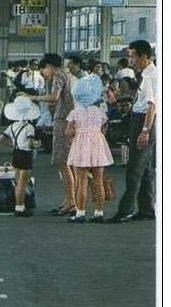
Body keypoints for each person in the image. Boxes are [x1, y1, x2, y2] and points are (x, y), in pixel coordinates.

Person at [21, 53, 75, 215]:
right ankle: (69, 199)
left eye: (43, 69)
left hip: (64, 121)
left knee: (62, 162)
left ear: (50, 66)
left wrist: (31, 97)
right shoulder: (68, 75)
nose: (43, 73)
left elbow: (54, 97)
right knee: (65, 163)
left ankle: (71, 200)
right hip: (67, 120)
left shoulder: (59, 76)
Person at [112, 40, 158, 223]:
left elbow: (151, 106)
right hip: (142, 120)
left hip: (144, 121)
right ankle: (146, 209)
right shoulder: (147, 74)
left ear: (144, 56)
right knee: (144, 169)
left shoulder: (149, 76)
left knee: (134, 169)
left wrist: (145, 130)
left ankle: (125, 210)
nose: (130, 60)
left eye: (133, 56)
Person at [66, 75, 114, 223]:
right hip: (97, 143)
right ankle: (99, 212)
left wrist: (74, 133)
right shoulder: (99, 112)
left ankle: (80, 213)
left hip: (81, 144)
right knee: (98, 180)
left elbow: (69, 132)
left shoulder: (75, 113)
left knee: (81, 181)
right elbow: (104, 129)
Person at [0, 96, 41, 217]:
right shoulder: (29, 127)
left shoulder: (12, 126)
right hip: (26, 154)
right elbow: (31, 143)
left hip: (16, 153)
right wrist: (37, 145)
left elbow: (0, 139)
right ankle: (20, 207)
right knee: (23, 183)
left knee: (17, 181)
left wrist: (12, 145)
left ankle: (18, 205)